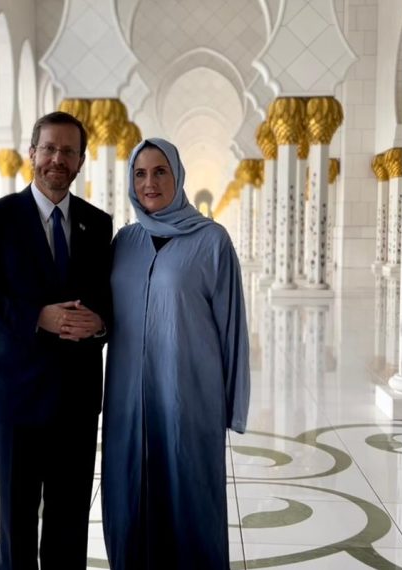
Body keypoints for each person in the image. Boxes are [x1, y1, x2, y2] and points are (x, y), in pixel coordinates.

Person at [0, 111, 112, 569]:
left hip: (77, 402)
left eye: (68, 151)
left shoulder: (98, 225)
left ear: (81, 161)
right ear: (32, 154)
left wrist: (99, 324)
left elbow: (111, 302)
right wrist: (36, 316)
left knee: (69, 523)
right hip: (15, 399)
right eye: (49, 149)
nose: (57, 159)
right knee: (17, 525)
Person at [101, 137, 251, 569]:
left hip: (190, 400)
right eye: (140, 173)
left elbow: (232, 327)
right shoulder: (123, 242)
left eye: (160, 171)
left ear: (178, 176)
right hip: (128, 403)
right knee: (128, 496)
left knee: (190, 498)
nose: (150, 183)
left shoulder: (212, 241)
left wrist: (231, 405)